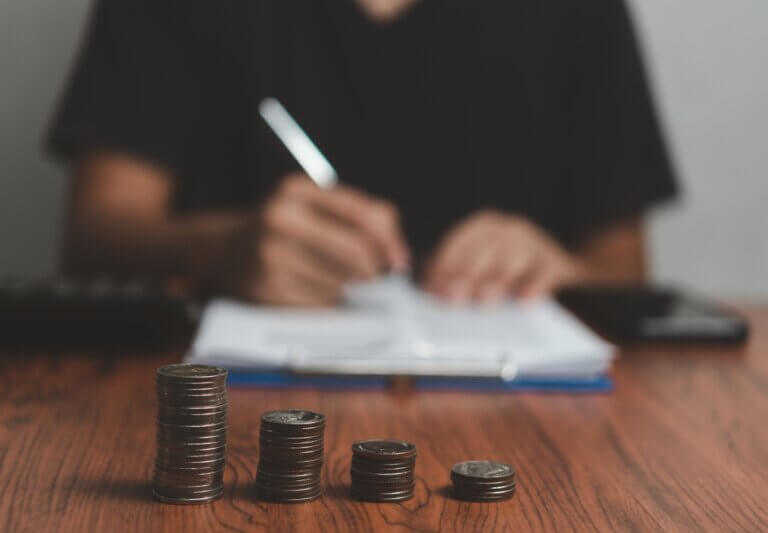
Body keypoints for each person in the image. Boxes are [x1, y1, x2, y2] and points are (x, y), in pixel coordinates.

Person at [48, 0, 677, 306]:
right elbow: (93, 235)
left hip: (537, 435)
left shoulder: (577, 11)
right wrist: (220, 248)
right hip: (217, 414)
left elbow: (624, 271)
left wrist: (557, 272)